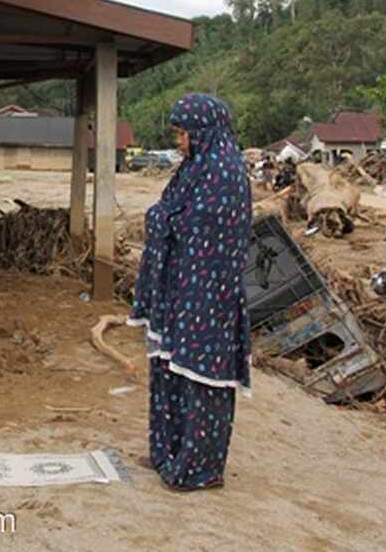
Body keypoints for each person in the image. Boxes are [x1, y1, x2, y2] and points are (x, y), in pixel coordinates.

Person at [129, 93, 252, 492]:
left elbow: (197, 227)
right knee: (169, 370)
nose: (179, 142)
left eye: (183, 133)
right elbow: (172, 214)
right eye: (178, 134)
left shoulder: (224, 172)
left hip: (208, 296)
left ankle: (198, 468)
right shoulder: (195, 168)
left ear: (204, 131)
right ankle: (169, 452)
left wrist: (160, 218)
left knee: (201, 378)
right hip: (181, 289)